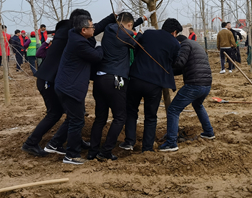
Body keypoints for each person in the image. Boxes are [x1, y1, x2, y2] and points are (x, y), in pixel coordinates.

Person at [21, 9, 116, 158]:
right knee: (56, 113)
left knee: (75, 114)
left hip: (58, 80)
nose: (91, 26)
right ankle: (31, 143)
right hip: (49, 80)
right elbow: (95, 31)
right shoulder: (68, 34)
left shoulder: (71, 32)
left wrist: (113, 16)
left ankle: (71, 141)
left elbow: (95, 28)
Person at [88, 12, 145, 161]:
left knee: (100, 118)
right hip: (115, 79)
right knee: (120, 117)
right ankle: (105, 151)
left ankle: (93, 151)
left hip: (100, 78)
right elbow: (137, 44)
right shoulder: (123, 34)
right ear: (129, 25)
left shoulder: (109, 29)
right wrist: (139, 34)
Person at [120, 18, 182, 153]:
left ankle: (129, 141)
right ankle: (147, 148)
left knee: (131, 111)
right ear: (174, 32)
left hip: (136, 77)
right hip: (155, 84)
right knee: (151, 116)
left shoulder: (148, 34)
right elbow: (173, 63)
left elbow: (136, 49)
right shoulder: (175, 44)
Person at [54, 14, 104, 164]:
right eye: (92, 27)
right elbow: (97, 56)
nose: (94, 29)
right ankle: (71, 155)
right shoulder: (79, 43)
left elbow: (95, 32)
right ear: (83, 30)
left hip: (66, 85)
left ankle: (55, 143)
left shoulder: (75, 35)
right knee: (77, 121)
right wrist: (100, 46)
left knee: (73, 118)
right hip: (70, 88)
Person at [159, 35, 215, 151]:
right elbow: (182, 67)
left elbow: (179, 63)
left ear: (178, 42)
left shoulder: (185, 44)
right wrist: (168, 72)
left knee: (173, 109)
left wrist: (166, 64)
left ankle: (171, 142)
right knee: (198, 105)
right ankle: (209, 132)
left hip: (194, 84)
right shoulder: (196, 45)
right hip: (206, 84)